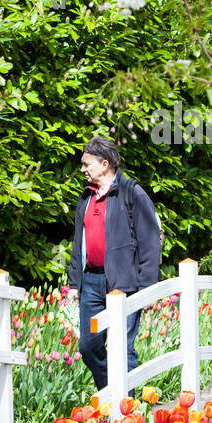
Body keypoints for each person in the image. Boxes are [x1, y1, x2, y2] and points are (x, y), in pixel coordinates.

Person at [64, 137, 162, 393]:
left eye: (87, 164)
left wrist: (148, 287)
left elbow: (151, 242)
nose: (83, 169)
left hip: (124, 284)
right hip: (91, 283)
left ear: (104, 163)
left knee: (122, 349)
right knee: (88, 347)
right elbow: (78, 243)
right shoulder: (86, 197)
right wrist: (74, 283)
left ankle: (123, 410)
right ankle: (111, 394)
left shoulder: (132, 192)